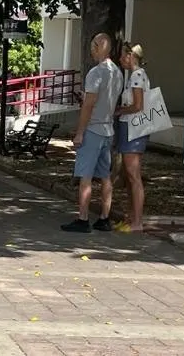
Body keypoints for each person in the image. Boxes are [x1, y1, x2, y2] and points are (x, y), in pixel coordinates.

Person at [61, 32, 123, 232]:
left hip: (94, 128)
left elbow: (89, 104)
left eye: (92, 46)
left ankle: (83, 218)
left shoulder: (95, 73)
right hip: (108, 129)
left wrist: (79, 132)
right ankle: (104, 217)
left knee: (85, 175)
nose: (90, 50)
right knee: (105, 175)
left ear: (97, 46)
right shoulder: (118, 73)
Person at [114, 42, 150, 233]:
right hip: (129, 127)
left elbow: (138, 106)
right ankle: (131, 218)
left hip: (133, 128)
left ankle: (137, 222)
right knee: (129, 176)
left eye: (122, 56)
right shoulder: (135, 76)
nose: (120, 60)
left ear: (130, 56)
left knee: (133, 175)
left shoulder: (137, 76)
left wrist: (119, 111)